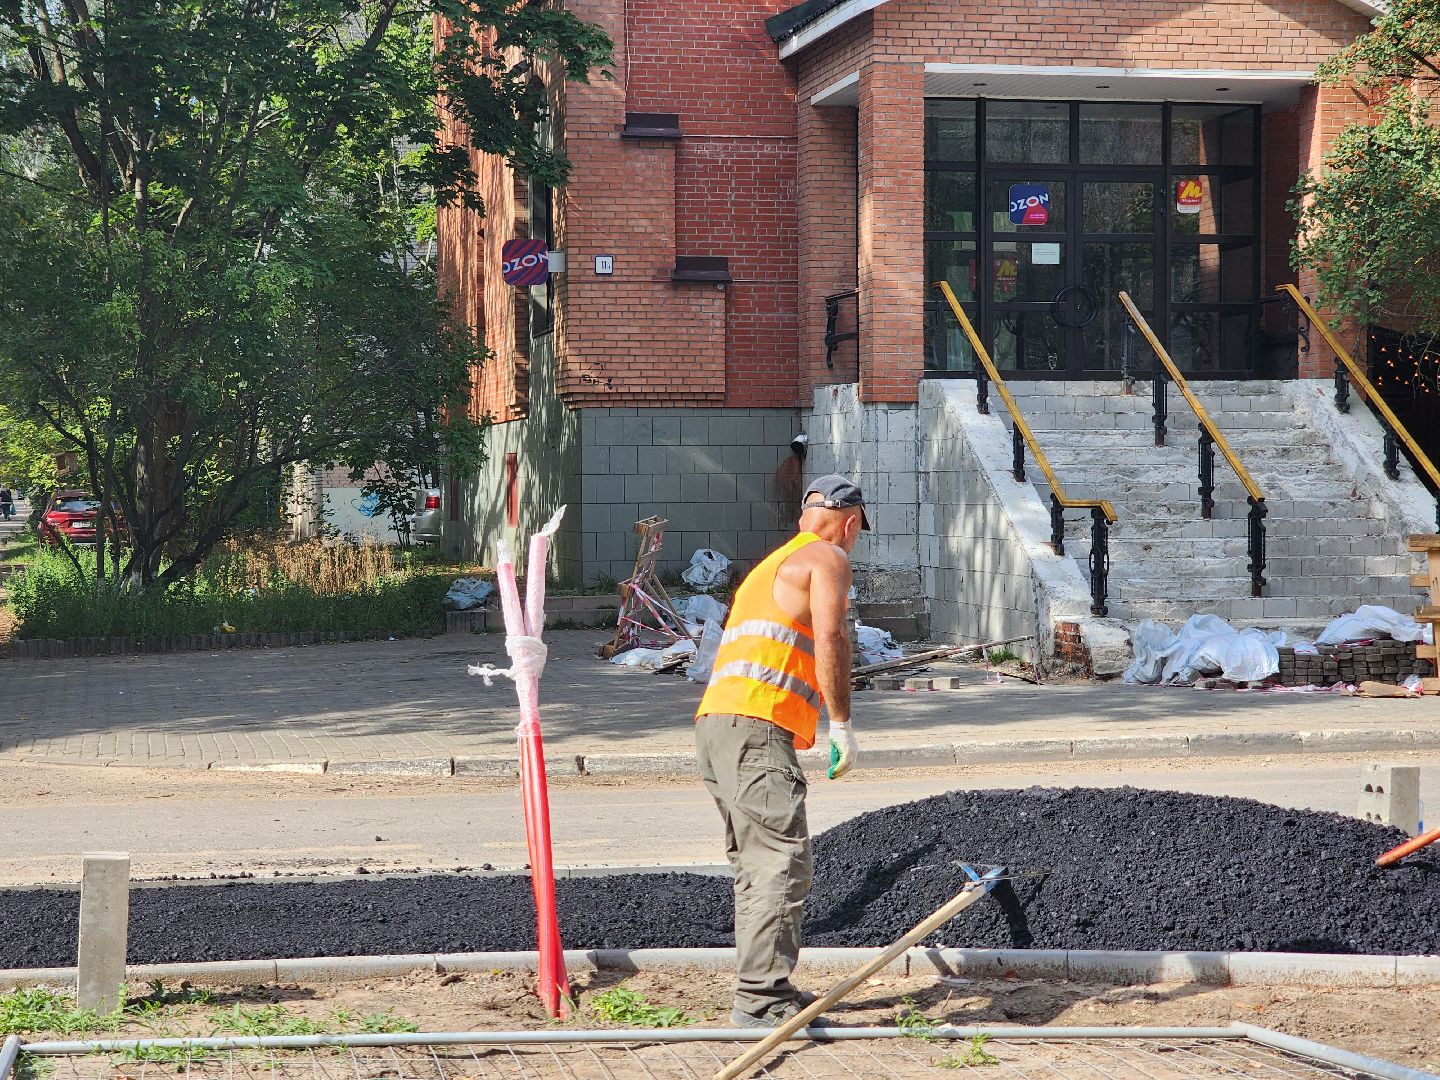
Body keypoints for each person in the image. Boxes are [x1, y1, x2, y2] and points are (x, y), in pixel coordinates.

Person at [694, 473, 867, 1028]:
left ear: (803, 516)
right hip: (755, 727)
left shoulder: (770, 566)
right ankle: (760, 1001)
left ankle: (765, 987)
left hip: (717, 723)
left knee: (754, 863)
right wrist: (841, 723)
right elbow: (833, 639)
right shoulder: (827, 558)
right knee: (779, 861)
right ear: (850, 522)